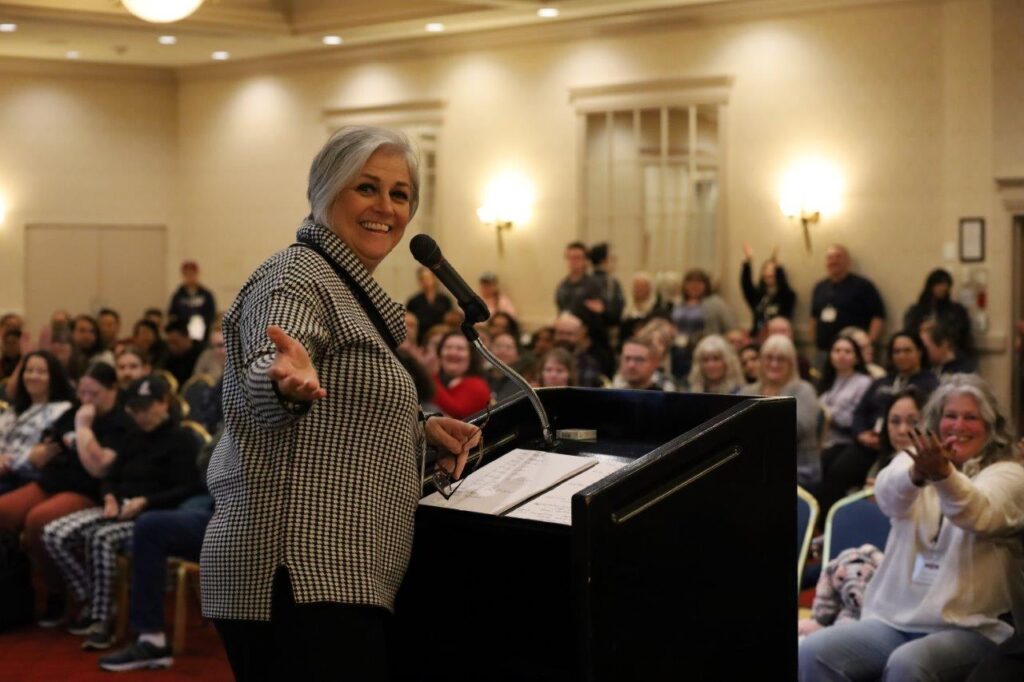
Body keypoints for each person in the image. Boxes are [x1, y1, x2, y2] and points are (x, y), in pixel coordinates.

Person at [199, 126, 480, 680]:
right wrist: (282, 384)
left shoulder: (344, 288)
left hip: (334, 574)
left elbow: (339, 407)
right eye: (366, 188)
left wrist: (417, 427)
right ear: (325, 191)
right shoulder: (298, 276)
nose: (386, 207)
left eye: (400, 194)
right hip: (296, 574)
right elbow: (269, 369)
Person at [799, 374, 1024, 682]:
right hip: (895, 621)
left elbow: (976, 513)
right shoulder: (913, 459)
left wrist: (943, 475)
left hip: (971, 626)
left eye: (971, 417)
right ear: (936, 421)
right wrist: (919, 473)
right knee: (813, 652)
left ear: (991, 427)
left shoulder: (1009, 474)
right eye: (950, 416)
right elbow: (888, 496)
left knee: (910, 664)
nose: (958, 426)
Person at [43, 375, 201, 650]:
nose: (140, 415)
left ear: (164, 403)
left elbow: (188, 488)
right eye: (135, 409)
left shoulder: (182, 439)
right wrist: (109, 497)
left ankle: (102, 619)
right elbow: (110, 476)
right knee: (53, 533)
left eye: (146, 408)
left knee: (101, 539)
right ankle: (94, 598)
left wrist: (146, 501)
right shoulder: (133, 436)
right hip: (117, 506)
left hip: (152, 514)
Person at [0, 362, 133, 627]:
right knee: (3, 511)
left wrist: (82, 430)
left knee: (38, 521)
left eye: (93, 393)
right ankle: (16, 593)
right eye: (82, 392)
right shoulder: (73, 410)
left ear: (112, 390)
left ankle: (58, 593)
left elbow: (98, 468)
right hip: (52, 479)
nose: (85, 399)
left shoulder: (120, 422)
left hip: (88, 489)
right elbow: (46, 447)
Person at [97, 433, 217, 672]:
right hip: (217, 505)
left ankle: (151, 640)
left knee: (150, 526)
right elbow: (206, 466)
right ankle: (143, 637)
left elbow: (204, 470)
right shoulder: (240, 409)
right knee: (149, 526)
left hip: (246, 515)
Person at [740, 334, 819, 487]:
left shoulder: (804, 390)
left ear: (791, 364)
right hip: (755, 465)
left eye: (781, 359)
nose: (774, 364)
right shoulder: (747, 390)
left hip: (798, 469)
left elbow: (794, 430)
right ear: (761, 361)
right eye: (769, 358)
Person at [0, 350, 75, 493]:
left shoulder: (62, 410)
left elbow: (40, 456)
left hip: (25, 480)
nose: (33, 376)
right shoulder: (15, 409)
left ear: (53, 377)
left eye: (41, 372)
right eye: (29, 371)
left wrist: (9, 462)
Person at [809, 244, 885, 365]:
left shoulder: (863, 286)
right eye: (830, 258)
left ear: (847, 261)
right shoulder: (820, 287)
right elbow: (813, 318)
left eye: (838, 257)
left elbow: (878, 317)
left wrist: (867, 344)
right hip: (823, 352)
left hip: (853, 354)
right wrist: (815, 341)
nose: (833, 261)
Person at [904, 268, 973, 357]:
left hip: (951, 357)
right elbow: (907, 337)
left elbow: (963, 338)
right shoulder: (916, 311)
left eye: (946, 284)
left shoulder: (956, 312)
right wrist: (920, 330)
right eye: (940, 284)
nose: (943, 288)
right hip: (922, 357)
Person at [432, 331, 492, 420]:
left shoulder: (478, 385)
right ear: (440, 353)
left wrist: (427, 380)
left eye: (460, 349)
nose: (453, 353)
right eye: (448, 347)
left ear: (471, 356)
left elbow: (458, 412)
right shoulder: (437, 380)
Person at [740, 243, 795, 338]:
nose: (769, 272)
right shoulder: (757, 296)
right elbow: (746, 286)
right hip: (758, 337)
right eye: (766, 269)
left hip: (779, 339)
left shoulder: (787, 296)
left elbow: (785, 290)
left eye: (773, 270)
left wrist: (778, 267)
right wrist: (747, 262)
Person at [168, 260, 217, 341]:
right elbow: (172, 313)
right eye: (187, 274)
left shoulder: (206, 295)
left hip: (203, 333)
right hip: (183, 334)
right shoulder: (178, 295)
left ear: (197, 274)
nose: (190, 277)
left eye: (192, 273)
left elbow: (211, 313)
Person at [406, 266, 453, 345]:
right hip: (420, 340)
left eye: (428, 278)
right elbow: (410, 322)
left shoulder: (445, 300)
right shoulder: (413, 301)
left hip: (441, 339)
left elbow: (449, 321)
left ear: (434, 279)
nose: (426, 281)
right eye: (423, 279)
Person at [620, 271, 670, 343]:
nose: (639, 290)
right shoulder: (627, 307)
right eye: (637, 287)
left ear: (649, 289)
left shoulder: (657, 309)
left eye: (643, 287)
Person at [161, 319, 203, 387]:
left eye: (175, 342)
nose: (171, 347)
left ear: (187, 337)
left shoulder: (202, 354)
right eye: (169, 343)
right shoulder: (168, 356)